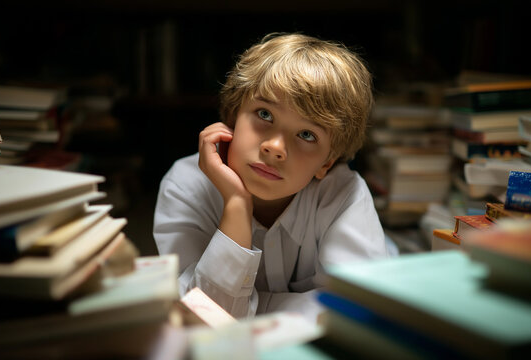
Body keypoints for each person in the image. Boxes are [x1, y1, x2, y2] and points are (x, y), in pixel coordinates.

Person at [153, 33, 387, 323]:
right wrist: (236, 204)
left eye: (306, 135)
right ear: (233, 116)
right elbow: (201, 319)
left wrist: (251, 308)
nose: (275, 147)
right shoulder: (185, 185)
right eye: (264, 114)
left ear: (327, 161)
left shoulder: (343, 193)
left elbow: (358, 313)